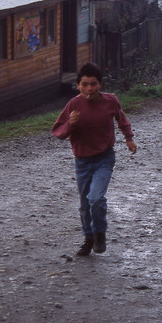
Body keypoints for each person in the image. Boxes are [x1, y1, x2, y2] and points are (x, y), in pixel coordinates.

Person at [52, 62, 137, 256]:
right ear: (78, 85)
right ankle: (88, 238)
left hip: (104, 158)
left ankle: (100, 233)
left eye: (93, 84)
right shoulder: (74, 105)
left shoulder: (110, 101)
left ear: (100, 84)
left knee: (96, 198)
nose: (89, 88)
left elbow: (122, 119)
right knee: (84, 204)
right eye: (84, 84)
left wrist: (129, 138)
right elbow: (58, 132)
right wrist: (71, 125)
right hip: (82, 161)